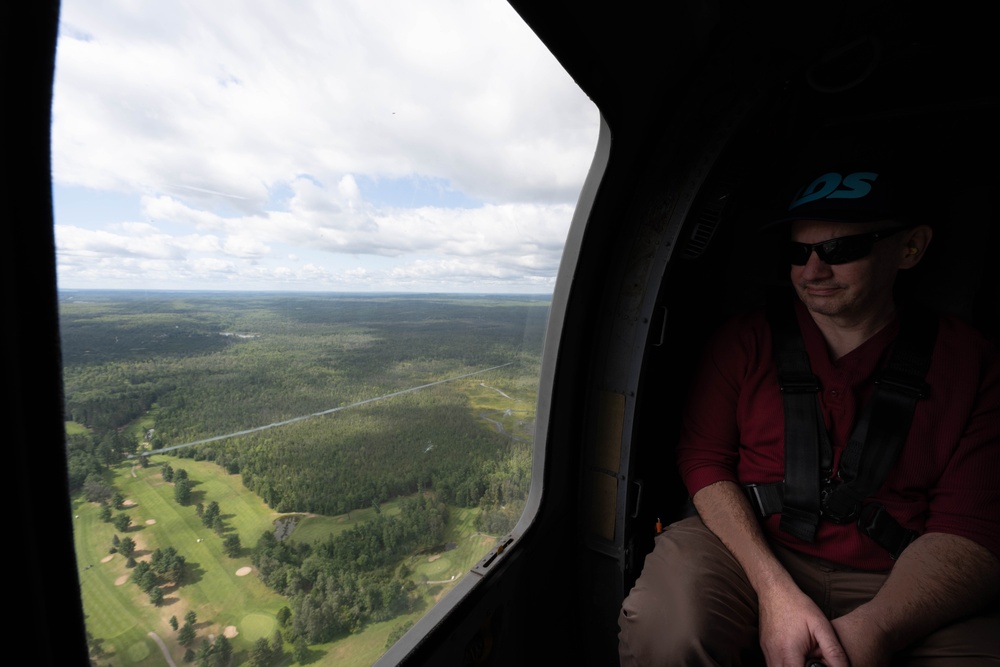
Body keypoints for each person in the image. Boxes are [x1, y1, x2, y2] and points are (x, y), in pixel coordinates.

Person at [617, 162, 1000, 666]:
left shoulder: (970, 362)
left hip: (902, 569)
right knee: (665, 631)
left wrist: (877, 629)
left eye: (841, 250)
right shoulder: (744, 341)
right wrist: (773, 588)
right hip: (749, 546)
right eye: (800, 252)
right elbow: (704, 457)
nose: (814, 271)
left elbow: (971, 525)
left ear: (910, 248)